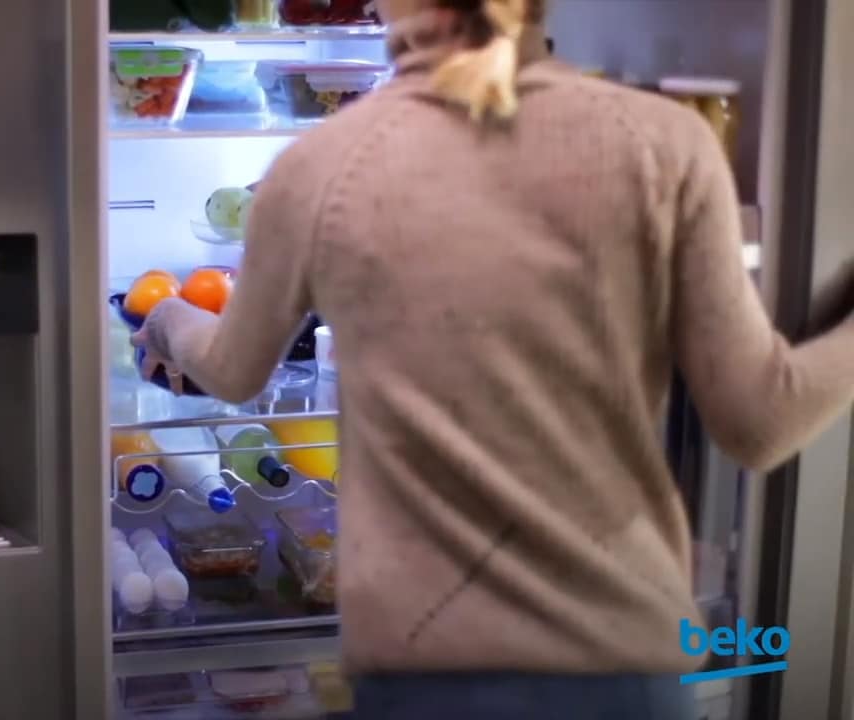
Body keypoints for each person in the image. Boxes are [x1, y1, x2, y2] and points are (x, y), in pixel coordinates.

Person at [131, 0, 854, 717]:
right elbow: (762, 421)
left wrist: (167, 314)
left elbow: (230, 369)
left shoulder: (318, 167)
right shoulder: (663, 141)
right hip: (618, 649)